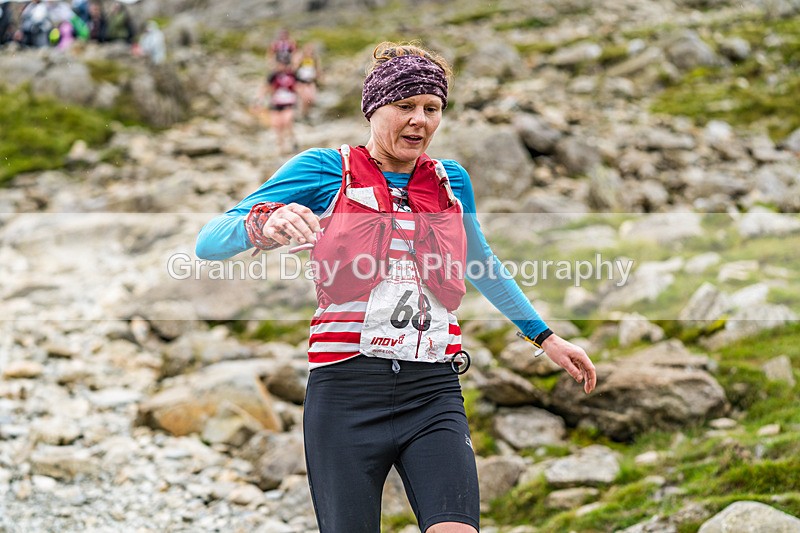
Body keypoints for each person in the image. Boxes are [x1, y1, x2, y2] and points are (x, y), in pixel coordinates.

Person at [196, 41, 597, 533]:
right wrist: (264, 223)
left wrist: (545, 337)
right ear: (373, 108)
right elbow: (207, 242)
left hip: (432, 390)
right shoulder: (325, 169)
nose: (419, 121)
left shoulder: (452, 181)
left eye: (432, 109)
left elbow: (480, 262)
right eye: (404, 106)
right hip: (345, 394)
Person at [257, 60, 298, 155]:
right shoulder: (273, 76)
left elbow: (298, 87)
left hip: (289, 103)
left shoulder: (292, 75)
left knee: (287, 121)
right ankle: (281, 146)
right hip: (276, 103)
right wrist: (259, 100)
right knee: (277, 125)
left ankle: (293, 141)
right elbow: (265, 87)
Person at [293, 42, 321, 123]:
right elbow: (294, 69)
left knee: (311, 99)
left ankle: (306, 114)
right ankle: (302, 115)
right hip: (301, 82)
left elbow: (318, 70)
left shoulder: (314, 59)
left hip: (310, 81)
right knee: (304, 99)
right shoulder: (300, 58)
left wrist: (319, 77)